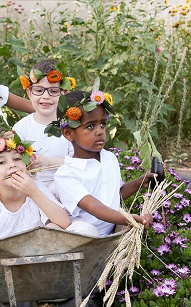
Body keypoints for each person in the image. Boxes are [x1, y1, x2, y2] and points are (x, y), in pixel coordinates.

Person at [53, 90, 156, 236]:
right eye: (90, 126)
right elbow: (95, 207)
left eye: (102, 124)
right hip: (83, 239)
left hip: (109, 232)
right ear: (69, 133)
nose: (100, 131)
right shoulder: (66, 174)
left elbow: (114, 196)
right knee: (89, 231)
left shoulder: (109, 158)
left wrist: (140, 182)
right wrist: (128, 218)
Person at [11, 59, 75, 190]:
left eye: (53, 91)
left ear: (64, 93)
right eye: (39, 90)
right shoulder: (21, 128)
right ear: (29, 93)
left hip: (67, 190)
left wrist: (47, 162)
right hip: (30, 192)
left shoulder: (72, 127)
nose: (46, 96)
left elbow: (81, 164)